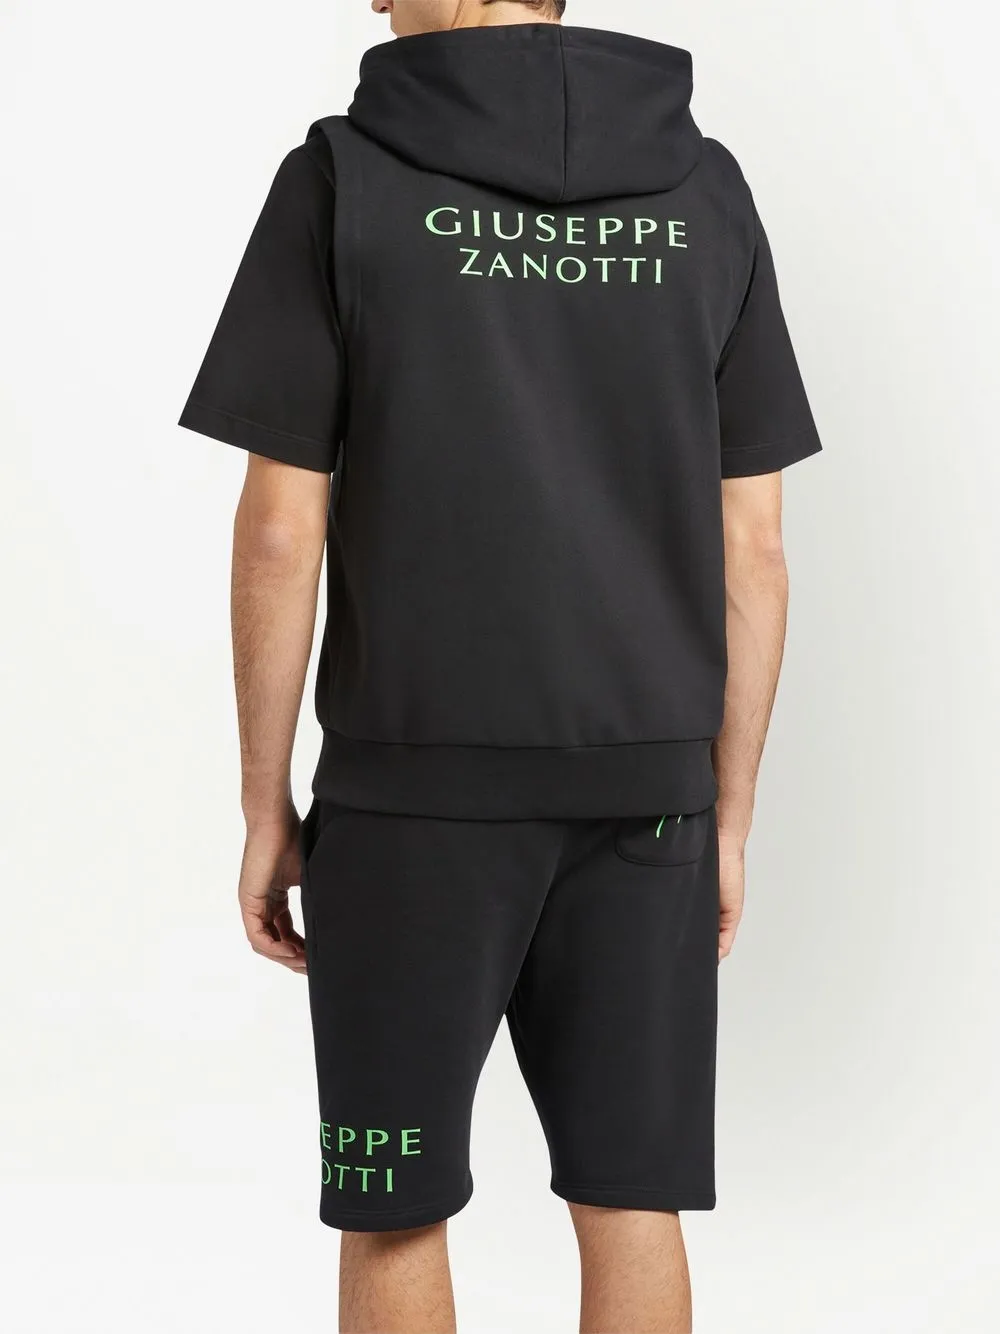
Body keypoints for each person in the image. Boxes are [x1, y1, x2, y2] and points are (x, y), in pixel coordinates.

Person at [179, 0, 821, 1328]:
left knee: (396, 1208)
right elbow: (754, 548)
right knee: (631, 1200)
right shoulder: (705, 191)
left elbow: (282, 528)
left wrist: (263, 802)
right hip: (648, 796)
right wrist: (727, 816)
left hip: (408, 804)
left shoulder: (341, 180)